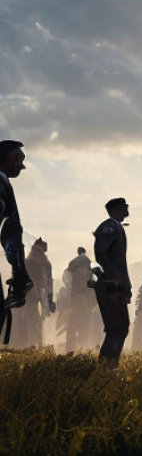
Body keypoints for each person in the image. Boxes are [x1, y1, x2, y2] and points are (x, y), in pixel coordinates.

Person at [93, 197, 132, 365]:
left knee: (121, 326)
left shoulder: (116, 226)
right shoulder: (109, 227)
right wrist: (114, 278)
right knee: (116, 327)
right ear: (114, 209)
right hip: (110, 284)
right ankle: (106, 365)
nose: (127, 207)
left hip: (115, 284)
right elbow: (101, 254)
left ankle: (111, 363)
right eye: (123, 206)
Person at [0, 140, 33, 316]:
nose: (21, 167)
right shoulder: (2, 184)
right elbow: (11, 236)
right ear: (8, 159)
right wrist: (20, 274)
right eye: (19, 161)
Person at [9, 237, 54, 348]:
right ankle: (34, 344)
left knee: (26, 318)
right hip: (32, 293)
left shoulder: (28, 261)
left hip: (29, 293)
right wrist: (49, 298)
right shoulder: (43, 262)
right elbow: (48, 282)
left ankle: (29, 344)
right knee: (32, 319)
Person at [63, 247, 100, 352]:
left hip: (76, 299)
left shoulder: (72, 265)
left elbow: (67, 281)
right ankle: (81, 349)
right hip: (83, 300)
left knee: (72, 325)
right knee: (84, 325)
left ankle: (71, 350)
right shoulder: (88, 265)